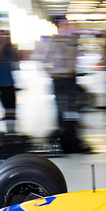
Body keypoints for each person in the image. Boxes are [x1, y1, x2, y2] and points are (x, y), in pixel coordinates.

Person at [42, 17, 90, 153]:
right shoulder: (52, 42)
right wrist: (52, 73)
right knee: (61, 112)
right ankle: (64, 142)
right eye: (63, 25)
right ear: (58, 27)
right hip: (58, 80)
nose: (66, 27)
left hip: (70, 79)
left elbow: (80, 57)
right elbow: (44, 60)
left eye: (67, 24)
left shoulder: (73, 41)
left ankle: (72, 140)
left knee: (72, 111)